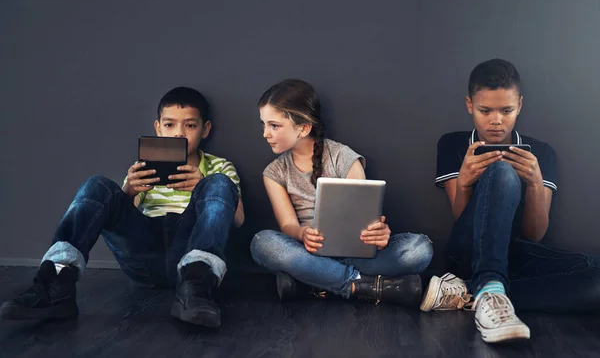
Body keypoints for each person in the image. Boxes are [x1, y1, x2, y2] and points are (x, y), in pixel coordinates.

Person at [0, 87, 244, 328]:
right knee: (98, 185)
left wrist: (200, 187)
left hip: (190, 251)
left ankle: (198, 287)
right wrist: (130, 191)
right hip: (145, 254)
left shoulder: (219, 167)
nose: (179, 133)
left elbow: (239, 219)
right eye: (170, 125)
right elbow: (117, 216)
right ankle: (54, 282)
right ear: (158, 127)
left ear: (205, 129)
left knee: (219, 184)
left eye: (190, 125)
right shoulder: (143, 166)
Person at [430, 59, 600, 343]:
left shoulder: (541, 153)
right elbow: (461, 220)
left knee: (596, 282)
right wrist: (463, 181)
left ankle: (469, 294)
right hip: (469, 253)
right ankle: (488, 284)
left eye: (506, 110)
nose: (496, 120)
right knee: (502, 171)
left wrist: (534, 182)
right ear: (470, 105)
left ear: (519, 105)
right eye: (485, 111)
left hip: (517, 256)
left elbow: (535, 234)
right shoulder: (453, 144)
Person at [250, 79, 433, 306]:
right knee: (262, 243)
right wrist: (302, 233)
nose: (265, 133)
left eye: (274, 126)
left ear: (304, 127)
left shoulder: (342, 157)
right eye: (264, 125)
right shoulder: (274, 172)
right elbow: (287, 226)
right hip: (308, 252)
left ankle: (313, 282)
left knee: (419, 248)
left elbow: (364, 219)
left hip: (352, 253)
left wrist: (379, 233)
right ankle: (362, 285)